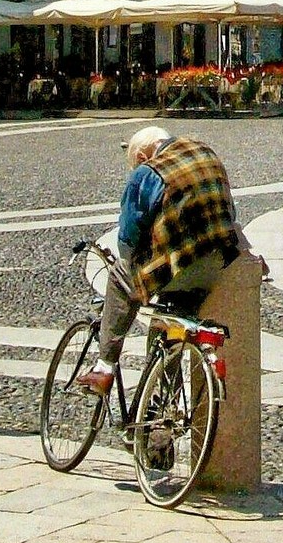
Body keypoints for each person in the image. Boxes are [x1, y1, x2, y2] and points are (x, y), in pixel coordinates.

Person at [77, 126, 249, 396]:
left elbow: (128, 238)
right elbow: (229, 210)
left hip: (178, 267)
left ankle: (104, 368)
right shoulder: (206, 152)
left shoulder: (148, 172)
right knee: (169, 325)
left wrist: (135, 268)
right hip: (216, 264)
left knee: (122, 275)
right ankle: (158, 417)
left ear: (144, 156)